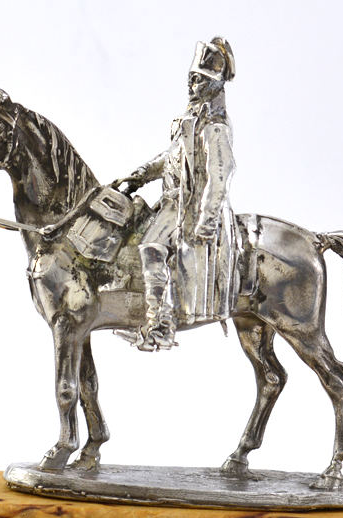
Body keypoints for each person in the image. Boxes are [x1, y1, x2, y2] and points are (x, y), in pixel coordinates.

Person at [119, 37, 237, 351]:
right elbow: (171, 156)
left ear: (214, 85)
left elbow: (220, 175)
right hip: (171, 203)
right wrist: (141, 174)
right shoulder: (189, 121)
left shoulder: (215, 127)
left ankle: (160, 326)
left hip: (190, 208)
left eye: (198, 80)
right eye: (190, 79)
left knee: (152, 247)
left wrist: (207, 220)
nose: (191, 86)